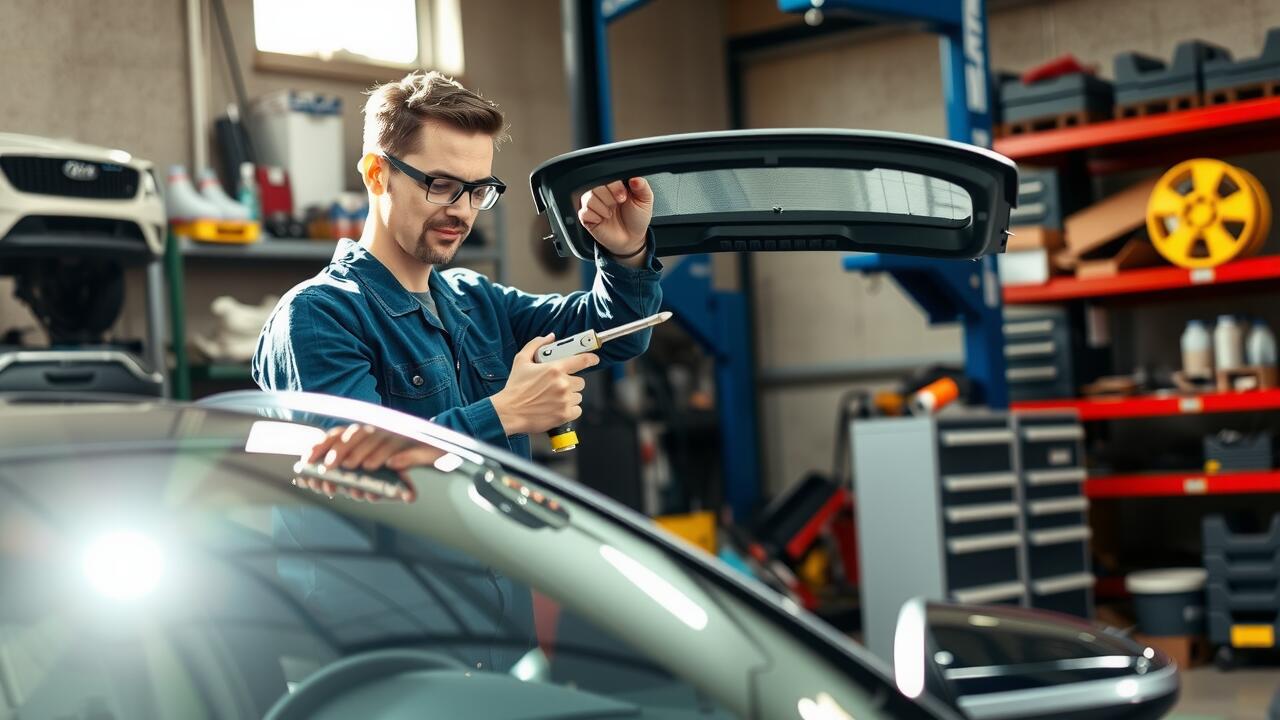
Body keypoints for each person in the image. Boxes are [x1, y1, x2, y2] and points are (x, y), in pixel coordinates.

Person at [253, 71, 663, 494]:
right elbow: (356, 474)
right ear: (377, 174)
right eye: (442, 185)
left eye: (477, 191)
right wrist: (504, 413)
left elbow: (616, 332)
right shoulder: (318, 315)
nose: (464, 212)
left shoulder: (477, 300)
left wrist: (624, 250)